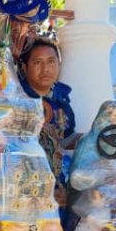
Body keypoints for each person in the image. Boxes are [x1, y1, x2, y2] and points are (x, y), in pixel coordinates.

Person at [18, 37, 75, 208]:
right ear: (24, 67)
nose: (45, 69)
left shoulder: (62, 100)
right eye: (37, 62)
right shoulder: (15, 100)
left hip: (57, 189)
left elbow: (64, 141)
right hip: (23, 189)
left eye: (51, 62)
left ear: (59, 64)